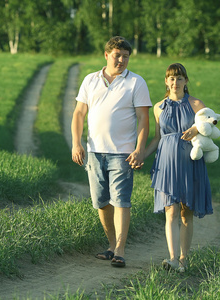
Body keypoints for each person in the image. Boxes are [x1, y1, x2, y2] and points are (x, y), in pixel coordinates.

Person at [71, 36, 151, 268]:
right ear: (106, 55)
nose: (122, 60)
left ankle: (120, 249)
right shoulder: (90, 80)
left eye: (126, 57)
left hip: (123, 153)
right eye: (117, 55)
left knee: (121, 201)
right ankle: (110, 245)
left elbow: (143, 119)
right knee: (101, 201)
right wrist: (77, 144)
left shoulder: (136, 82)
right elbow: (78, 114)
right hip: (94, 152)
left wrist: (140, 149)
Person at [144, 63, 213, 272]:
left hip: (190, 163)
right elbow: (157, 138)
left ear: (186, 81)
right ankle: (173, 259)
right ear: (166, 81)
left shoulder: (195, 103)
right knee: (170, 211)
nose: (175, 82)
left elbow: (211, 123)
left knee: (186, 212)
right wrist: (142, 155)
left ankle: (184, 260)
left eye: (180, 78)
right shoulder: (158, 107)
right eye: (171, 78)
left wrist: (196, 128)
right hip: (166, 163)